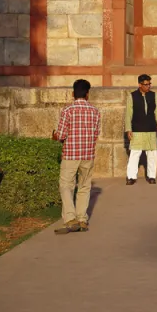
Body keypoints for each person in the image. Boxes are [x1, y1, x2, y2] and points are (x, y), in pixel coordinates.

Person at [52, 79, 101, 234]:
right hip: (87, 154)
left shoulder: (68, 111)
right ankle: (82, 219)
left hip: (71, 154)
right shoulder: (95, 111)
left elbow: (61, 135)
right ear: (87, 94)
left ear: (73, 94)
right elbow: (95, 134)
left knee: (66, 185)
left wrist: (54, 135)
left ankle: (70, 218)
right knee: (85, 186)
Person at [125, 73, 157, 185]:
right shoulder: (132, 96)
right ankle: (131, 177)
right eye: (146, 84)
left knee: (152, 154)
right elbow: (128, 114)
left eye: (149, 84)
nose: (148, 86)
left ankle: (152, 176)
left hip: (151, 128)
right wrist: (129, 129)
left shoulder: (154, 95)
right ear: (140, 84)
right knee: (134, 153)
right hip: (137, 129)